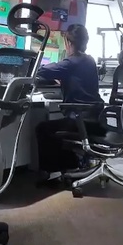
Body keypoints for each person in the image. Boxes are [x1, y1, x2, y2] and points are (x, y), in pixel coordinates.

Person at [34, 24, 104, 174]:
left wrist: (59, 75)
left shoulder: (71, 62)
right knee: (55, 126)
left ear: (68, 42)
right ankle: (71, 165)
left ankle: (53, 173)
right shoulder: (90, 60)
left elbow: (41, 71)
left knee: (43, 129)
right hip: (95, 121)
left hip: (80, 121)